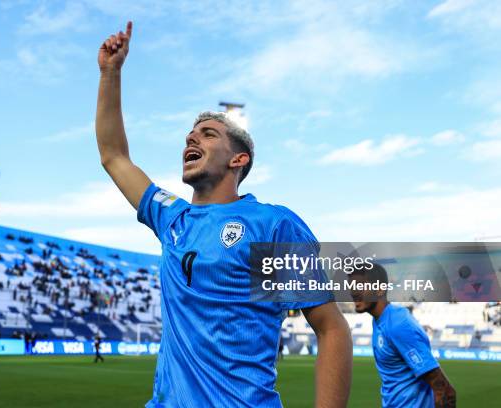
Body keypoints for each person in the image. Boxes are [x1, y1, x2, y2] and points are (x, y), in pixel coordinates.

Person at [95, 22, 352, 407]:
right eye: (190, 134)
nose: (191, 137)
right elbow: (114, 156)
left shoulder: (273, 225)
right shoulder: (172, 219)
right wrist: (110, 74)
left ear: (238, 159)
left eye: (208, 133)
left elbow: (331, 329)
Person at [349, 264, 456, 408]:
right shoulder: (380, 320)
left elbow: (444, 390)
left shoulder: (398, 324)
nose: (354, 292)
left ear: (380, 289)